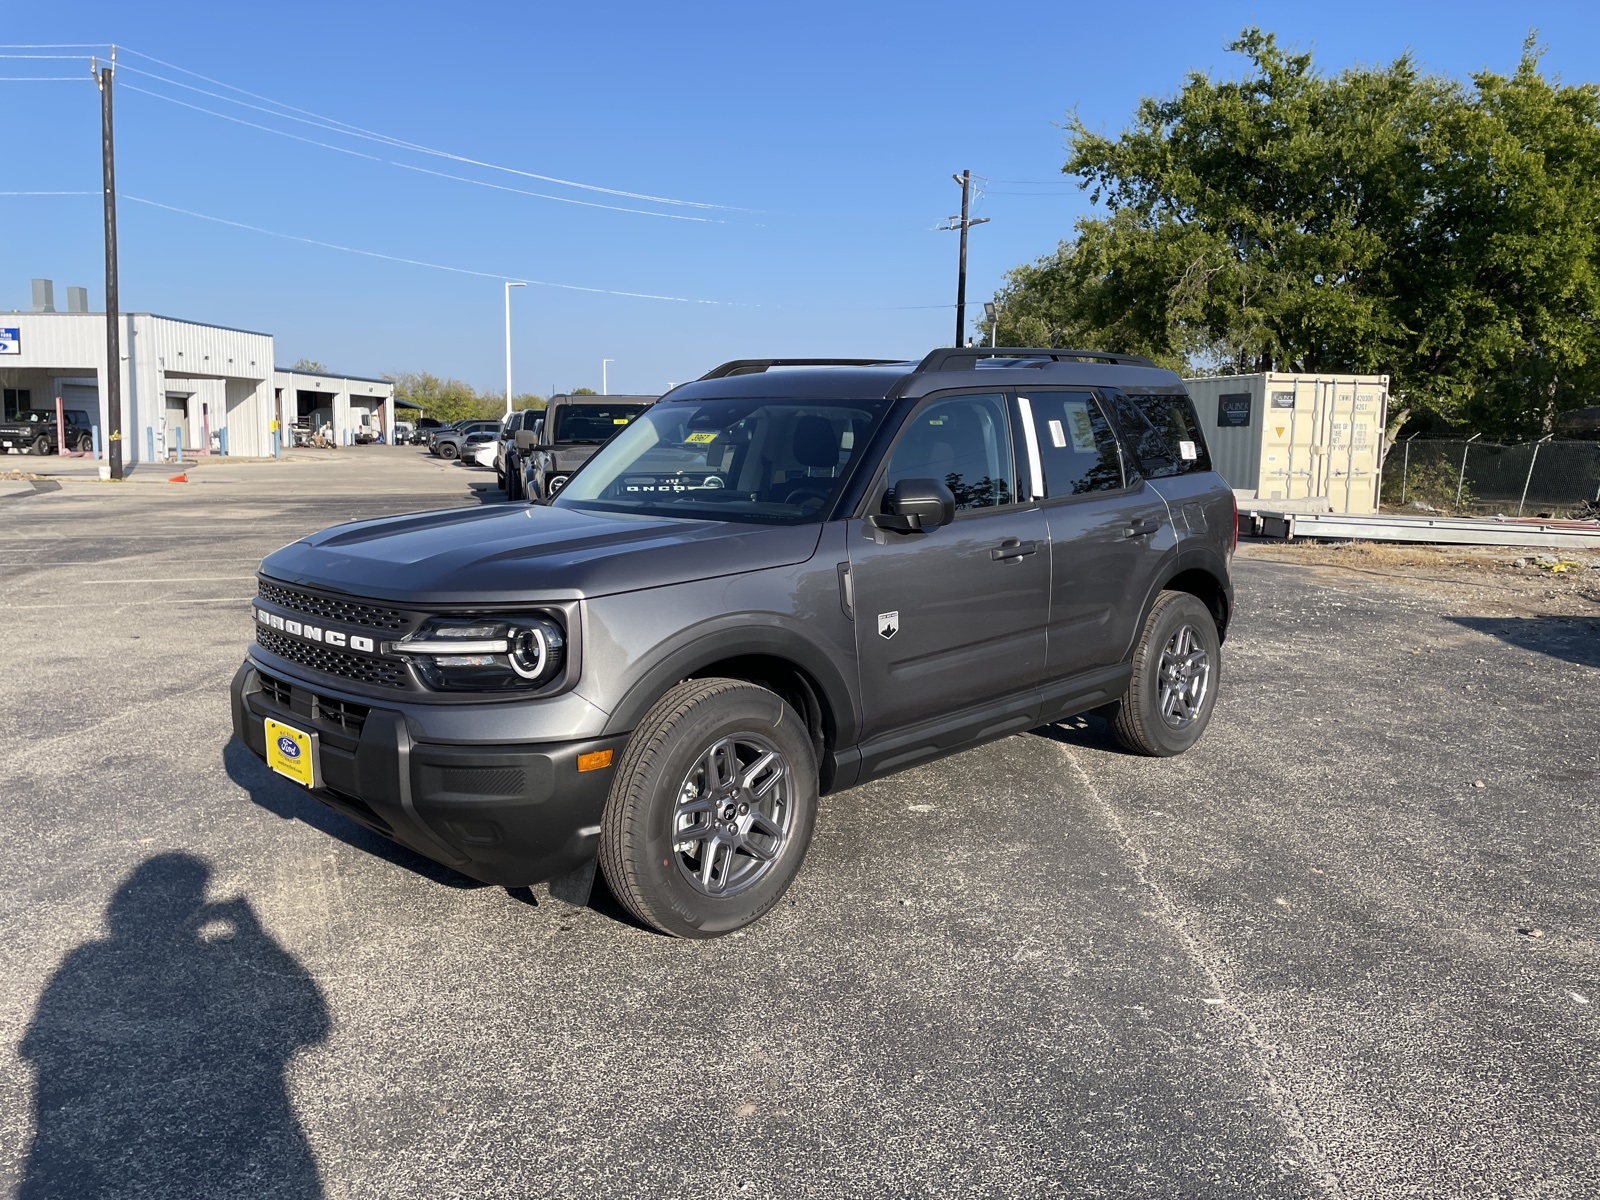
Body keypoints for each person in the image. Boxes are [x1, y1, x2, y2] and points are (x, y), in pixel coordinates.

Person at [18, 853, 329, 1199]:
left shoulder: (83, 962)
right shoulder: (88, 962)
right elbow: (313, 1024)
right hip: (244, 1137)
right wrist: (254, 935)